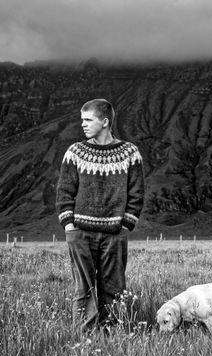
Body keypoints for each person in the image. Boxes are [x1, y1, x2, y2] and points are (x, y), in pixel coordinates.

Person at [56, 98, 144, 333]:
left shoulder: (129, 153)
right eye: (81, 120)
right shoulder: (75, 152)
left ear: (105, 122)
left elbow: (136, 193)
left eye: (88, 120)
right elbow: (65, 191)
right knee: (82, 289)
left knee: (114, 288)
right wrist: (69, 226)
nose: (82, 124)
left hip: (115, 233)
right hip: (80, 233)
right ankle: (86, 339)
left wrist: (126, 225)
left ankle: (112, 335)